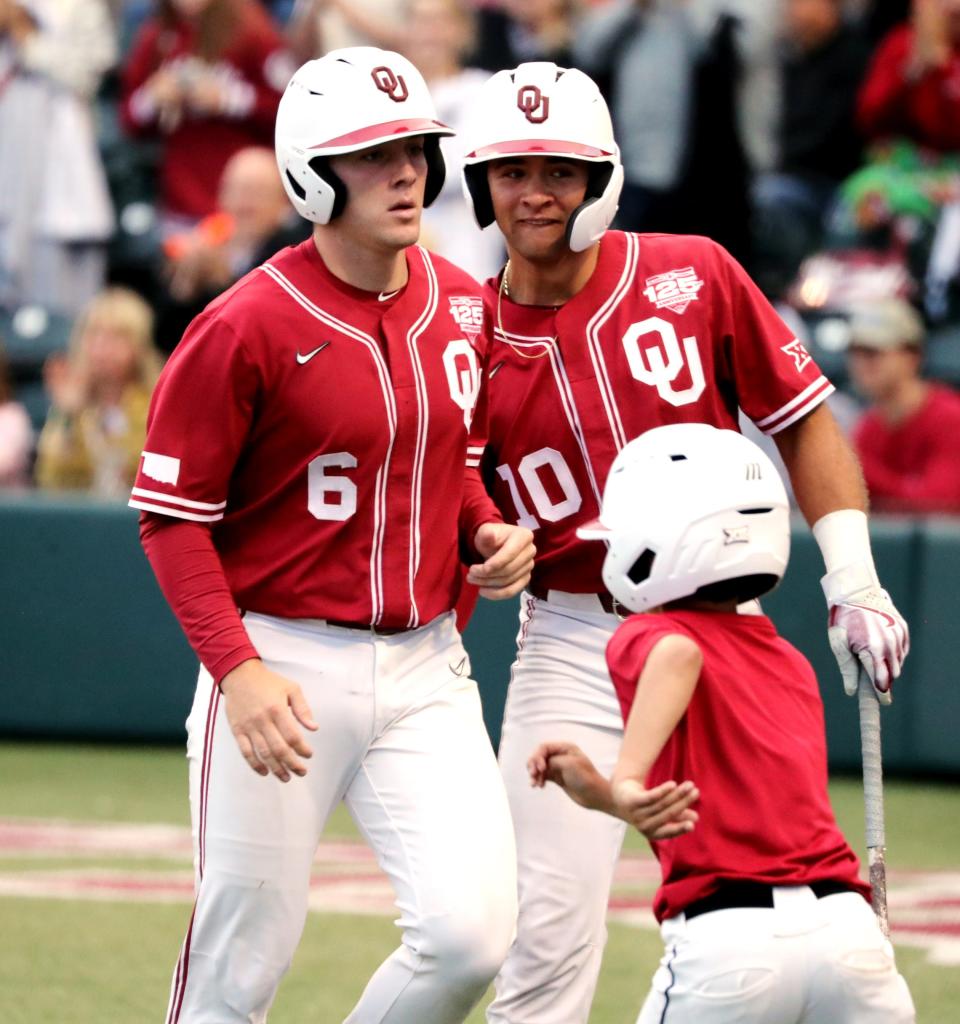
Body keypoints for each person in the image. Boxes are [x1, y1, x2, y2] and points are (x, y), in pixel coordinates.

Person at [458, 62, 910, 1023]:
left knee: (782, 900)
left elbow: (801, 417)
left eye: (559, 169)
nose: (535, 193)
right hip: (574, 635)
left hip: (723, 625)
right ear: (479, 182)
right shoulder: (463, 331)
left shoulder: (691, 270)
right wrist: (481, 540)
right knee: (538, 937)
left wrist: (855, 579)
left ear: (601, 178)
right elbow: (443, 490)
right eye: (512, 171)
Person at [129, 48, 535, 1024]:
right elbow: (171, 519)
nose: (405, 171)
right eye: (373, 153)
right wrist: (237, 669)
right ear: (312, 170)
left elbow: (461, 464)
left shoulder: (467, 305)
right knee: (239, 967)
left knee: (473, 936)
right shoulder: (242, 323)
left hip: (427, 663)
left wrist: (488, 531)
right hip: (280, 660)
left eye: (414, 149)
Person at [528, 422, 916, 1024]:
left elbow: (678, 656)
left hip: (729, 941)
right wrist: (604, 796)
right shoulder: (788, 659)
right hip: (849, 934)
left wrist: (625, 781)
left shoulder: (648, 635)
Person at [120, 0, 295, 232]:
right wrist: (154, 97)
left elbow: (288, 107)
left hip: (244, 201)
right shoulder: (158, 35)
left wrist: (227, 100)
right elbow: (129, 119)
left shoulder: (252, 29)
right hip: (181, 199)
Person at [0, 0, 116, 316]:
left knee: (67, 314)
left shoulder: (78, 7)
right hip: (9, 173)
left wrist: (25, 33)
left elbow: (85, 76)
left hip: (62, 192)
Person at [157, 145, 306, 349]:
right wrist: (186, 287)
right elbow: (168, 338)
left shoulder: (293, 254)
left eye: (258, 191)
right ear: (221, 196)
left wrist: (222, 284)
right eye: (239, 189)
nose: (246, 202)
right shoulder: (204, 242)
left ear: (283, 202)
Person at [35, 287, 161, 497]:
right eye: (94, 335)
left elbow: (153, 473)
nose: (102, 347)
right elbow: (50, 478)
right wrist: (68, 416)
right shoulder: (74, 403)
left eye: (117, 337)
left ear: (139, 346)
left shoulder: (155, 402)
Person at [847, 297, 960, 513]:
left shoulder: (951, 418)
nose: (861, 363)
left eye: (873, 353)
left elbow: (939, 506)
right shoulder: (869, 426)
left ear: (913, 356)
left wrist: (856, 467)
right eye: (855, 352)